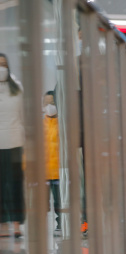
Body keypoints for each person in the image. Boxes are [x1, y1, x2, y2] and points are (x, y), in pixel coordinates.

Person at [0, 53, 25, 238]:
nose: (2, 68)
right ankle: (2, 225)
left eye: (4, 64)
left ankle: (16, 223)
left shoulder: (17, 87)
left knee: (15, 184)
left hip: (15, 142)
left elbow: (24, 115)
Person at [43, 91, 62, 236]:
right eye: (46, 103)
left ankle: (60, 224)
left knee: (59, 202)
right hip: (43, 171)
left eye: (52, 103)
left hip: (58, 170)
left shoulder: (62, 123)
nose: (49, 106)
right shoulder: (40, 123)